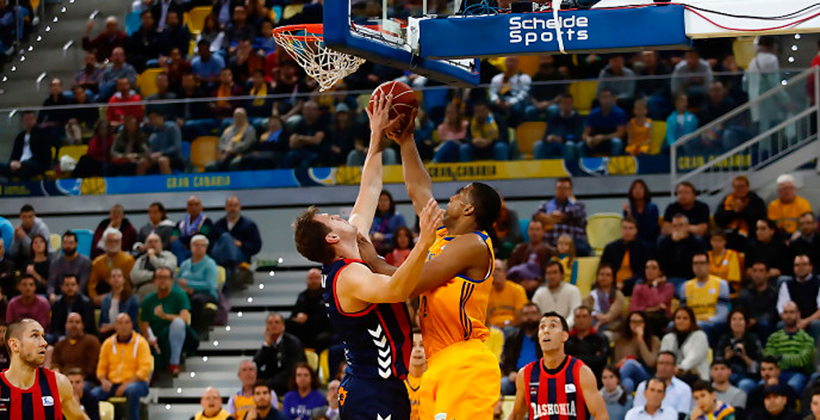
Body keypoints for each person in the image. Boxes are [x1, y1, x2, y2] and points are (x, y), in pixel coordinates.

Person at [290, 95, 449, 418]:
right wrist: (423, 242)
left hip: (378, 386)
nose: (339, 216)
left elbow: (371, 188)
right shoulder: (349, 276)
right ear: (332, 238)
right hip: (372, 389)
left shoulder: (351, 251)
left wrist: (376, 136)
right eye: (332, 219)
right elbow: (398, 290)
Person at [507, 311, 610, 420]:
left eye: (553, 326)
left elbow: (601, 416)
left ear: (565, 336)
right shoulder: (525, 374)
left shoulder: (581, 372)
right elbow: (516, 415)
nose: (546, 331)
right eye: (542, 327)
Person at [2, 319, 89, 419]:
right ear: (14, 345)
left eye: (43, 336)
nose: (44, 343)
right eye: (34, 336)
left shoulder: (58, 383)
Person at [139, 266, 198, 376]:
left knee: (178, 323)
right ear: (154, 281)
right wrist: (150, 338)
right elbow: (144, 323)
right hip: (156, 335)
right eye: (159, 277)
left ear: (171, 280)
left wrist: (164, 316)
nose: (162, 280)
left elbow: (184, 318)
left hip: (175, 334)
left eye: (165, 277)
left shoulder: (180, 295)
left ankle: (174, 363)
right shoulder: (149, 300)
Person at [93, 313, 152, 420]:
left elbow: (144, 369)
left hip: (137, 383)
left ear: (131, 325)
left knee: (132, 390)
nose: (123, 326)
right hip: (112, 383)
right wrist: (103, 380)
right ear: (115, 326)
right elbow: (101, 368)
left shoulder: (141, 343)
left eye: (126, 323)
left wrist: (125, 385)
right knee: (93, 394)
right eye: (120, 323)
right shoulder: (108, 343)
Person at [763, 301, 815, 394]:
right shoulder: (774, 337)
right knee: (761, 386)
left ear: (798, 314)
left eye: (791, 312)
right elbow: (769, 357)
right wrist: (787, 360)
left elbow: (802, 360)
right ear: (782, 315)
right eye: (786, 312)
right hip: (776, 373)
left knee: (793, 385)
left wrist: (781, 357)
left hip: (797, 374)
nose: (788, 316)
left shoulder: (806, 338)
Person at [680, 252, 730, 341]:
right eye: (696, 263)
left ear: (708, 265)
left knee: (701, 326)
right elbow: (683, 313)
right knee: (671, 326)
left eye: (702, 263)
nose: (698, 266)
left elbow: (722, 315)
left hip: (712, 324)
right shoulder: (685, 287)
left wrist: (704, 321)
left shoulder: (721, 284)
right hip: (691, 323)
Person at [533, 177, 590, 254]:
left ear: (570, 191)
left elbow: (566, 216)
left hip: (573, 242)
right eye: (559, 188)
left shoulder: (578, 205)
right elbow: (536, 217)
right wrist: (552, 216)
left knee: (582, 248)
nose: (562, 191)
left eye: (565, 189)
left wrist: (547, 218)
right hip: (550, 242)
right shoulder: (545, 205)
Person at [254, 313, 306, 396]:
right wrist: (266, 345)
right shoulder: (268, 343)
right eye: (270, 323)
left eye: (277, 322)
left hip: (288, 380)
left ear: (283, 326)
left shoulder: (293, 343)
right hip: (272, 380)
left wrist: (270, 382)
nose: (273, 325)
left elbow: (293, 368)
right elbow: (256, 364)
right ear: (266, 327)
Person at [176, 234, 219, 336]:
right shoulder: (185, 264)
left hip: (207, 294)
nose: (199, 248)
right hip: (186, 292)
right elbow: (178, 281)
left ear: (206, 248)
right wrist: (184, 289)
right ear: (191, 247)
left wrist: (190, 285)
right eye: (196, 245)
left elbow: (210, 285)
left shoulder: (210, 264)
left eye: (202, 245)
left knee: (196, 300)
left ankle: (196, 332)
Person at [714, 308, 762, 394]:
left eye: (740, 319)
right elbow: (716, 364)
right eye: (734, 319)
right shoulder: (724, 339)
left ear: (746, 322)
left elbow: (758, 367)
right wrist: (726, 358)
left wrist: (745, 357)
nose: (737, 322)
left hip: (747, 376)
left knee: (744, 384)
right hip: (728, 375)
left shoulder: (753, 339)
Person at [600, 217, 653, 295]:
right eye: (625, 228)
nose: (627, 231)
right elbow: (603, 268)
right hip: (613, 283)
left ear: (636, 230)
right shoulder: (610, 248)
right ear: (620, 230)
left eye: (631, 228)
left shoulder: (644, 248)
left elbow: (643, 272)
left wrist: (625, 283)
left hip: (633, 284)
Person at [714, 175, 767, 252]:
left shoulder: (756, 200)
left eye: (742, 187)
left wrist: (743, 209)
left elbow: (760, 219)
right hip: (729, 233)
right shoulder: (727, 200)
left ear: (747, 187)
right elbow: (718, 219)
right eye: (737, 187)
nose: (740, 189)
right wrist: (734, 212)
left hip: (750, 234)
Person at [500, 303, 542, 396]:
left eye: (533, 313)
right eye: (526, 314)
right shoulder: (513, 337)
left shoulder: (545, 338)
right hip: (517, 378)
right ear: (521, 317)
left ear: (539, 316)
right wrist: (511, 373)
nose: (530, 317)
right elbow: (508, 361)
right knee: (502, 384)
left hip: (540, 377)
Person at [633, 352, 693, 417]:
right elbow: (637, 412)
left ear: (674, 367)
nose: (663, 367)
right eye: (661, 363)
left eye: (667, 364)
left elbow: (682, 415)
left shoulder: (684, 389)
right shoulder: (643, 386)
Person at [614, 311, 661, 393]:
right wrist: (621, 362)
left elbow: (651, 362)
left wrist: (640, 340)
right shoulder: (621, 341)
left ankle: (610, 390)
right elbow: (615, 365)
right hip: (626, 375)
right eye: (633, 322)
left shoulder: (654, 340)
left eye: (640, 322)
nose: (636, 325)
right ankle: (626, 400)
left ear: (645, 323)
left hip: (647, 375)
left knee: (630, 363)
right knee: (628, 383)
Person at [286, 269, 333, 352]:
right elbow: (295, 315)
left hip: (324, 329)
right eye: (311, 278)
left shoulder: (329, 295)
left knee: (322, 339)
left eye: (316, 278)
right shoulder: (302, 296)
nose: (313, 281)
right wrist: (297, 318)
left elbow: (329, 317)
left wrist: (307, 319)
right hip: (307, 329)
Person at [776, 254, 820, 339]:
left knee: (816, 324)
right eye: (797, 265)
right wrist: (794, 321)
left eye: (804, 264)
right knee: (781, 325)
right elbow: (782, 308)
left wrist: (805, 322)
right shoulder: (787, 284)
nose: (800, 267)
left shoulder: (818, 283)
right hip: (793, 320)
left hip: (813, 320)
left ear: (811, 267)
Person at [88, 228, 135, 306]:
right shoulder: (97, 262)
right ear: (104, 243)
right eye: (110, 241)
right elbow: (91, 285)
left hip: (124, 297)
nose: (113, 244)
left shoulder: (129, 260)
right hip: (102, 298)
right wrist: (95, 298)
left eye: (116, 241)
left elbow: (131, 284)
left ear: (120, 242)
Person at [661, 307, 710, 381]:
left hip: (697, 378)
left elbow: (694, 357)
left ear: (691, 321)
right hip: (672, 377)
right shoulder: (668, 338)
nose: (681, 321)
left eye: (685, 318)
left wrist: (680, 368)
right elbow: (664, 358)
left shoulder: (700, 336)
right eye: (678, 318)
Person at [214, 196, 262, 271]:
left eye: (235, 205)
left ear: (239, 207)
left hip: (240, 259)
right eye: (230, 206)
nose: (233, 209)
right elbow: (212, 244)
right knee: (226, 238)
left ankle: (232, 264)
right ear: (225, 208)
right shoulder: (218, 225)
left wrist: (241, 244)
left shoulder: (249, 225)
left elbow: (256, 245)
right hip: (221, 258)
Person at [0, 111, 51, 181]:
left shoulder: (42, 135)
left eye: (31, 119)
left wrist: (22, 164)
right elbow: (14, 154)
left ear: (35, 119)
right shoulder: (20, 137)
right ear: (23, 121)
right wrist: (13, 163)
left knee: (26, 167)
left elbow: (43, 156)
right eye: (26, 119)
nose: (28, 122)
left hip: (34, 164)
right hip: (18, 164)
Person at [629, 260, 674, 337]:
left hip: (661, 321)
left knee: (654, 318)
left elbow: (656, 302)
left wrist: (654, 285)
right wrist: (654, 309)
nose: (650, 271)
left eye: (654, 268)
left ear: (660, 272)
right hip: (643, 319)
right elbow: (633, 309)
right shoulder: (638, 287)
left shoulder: (668, 287)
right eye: (647, 268)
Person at [657, 214, 704, 288]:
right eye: (675, 226)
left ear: (687, 227)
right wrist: (672, 242)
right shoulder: (665, 242)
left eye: (681, 225)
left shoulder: (696, 242)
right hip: (669, 278)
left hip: (689, 278)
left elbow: (690, 264)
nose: (677, 228)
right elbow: (662, 263)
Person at [533, 93, 583, 160]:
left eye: (568, 103)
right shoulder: (554, 117)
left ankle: (568, 166)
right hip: (553, 144)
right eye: (564, 103)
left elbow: (579, 137)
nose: (566, 106)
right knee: (538, 144)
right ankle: (540, 166)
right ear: (560, 105)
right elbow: (545, 135)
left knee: (569, 145)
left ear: (572, 105)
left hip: (567, 145)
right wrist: (548, 138)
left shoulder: (577, 118)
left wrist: (563, 139)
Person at [533, 261, 583, 327]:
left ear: (562, 275)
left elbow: (574, 314)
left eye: (555, 272)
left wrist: (562, 327)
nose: (552, 276)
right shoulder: (539, 292)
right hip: (545, 329)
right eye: (549, 273)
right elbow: (535, 314)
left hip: (568, 329)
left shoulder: (573, 290)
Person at [51, 312, 101, 380]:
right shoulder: (59, 344)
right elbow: (55, 365)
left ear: (82, 325)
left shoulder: (92, 342)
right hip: (64, 379)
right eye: (71, 322)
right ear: (66, 325)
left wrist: (76, 378)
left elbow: (92, 368)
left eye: (77, 322)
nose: (74, 325)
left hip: (85, 380)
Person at [736, 261, 778, 339]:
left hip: (766, 324)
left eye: (761, 271)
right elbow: (740, 310)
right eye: (754, 271)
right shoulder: (745, 293)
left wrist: (756, 320)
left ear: (767, 274)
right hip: (747, 323)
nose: (757, 274)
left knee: (764, 324)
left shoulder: (773, 293)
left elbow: (772, 314)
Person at [566, 305, 610, 381]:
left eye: (584, 316)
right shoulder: (567, 339)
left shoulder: (600, 338)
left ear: (591, 319)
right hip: (571, 377)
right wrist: (590, 357)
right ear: (574, 319)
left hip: (595, 377)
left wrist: (575, 358)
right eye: (578, 317)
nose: (581, 320)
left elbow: (601, 360)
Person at [170, 195, 219, 261]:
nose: (193, 207)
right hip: (183, 250)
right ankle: (182, 266)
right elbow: (173, 238)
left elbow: (200, 236)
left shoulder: (207, 222)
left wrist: (182, 239)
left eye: (196, 204)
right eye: (190, 205)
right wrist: (186, 239)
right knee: (176, 244)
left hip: (200, 251)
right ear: (187, 208)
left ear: (201, 207)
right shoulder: (180, 224)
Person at [579, 88, 626, 157]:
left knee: (617, 142)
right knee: (580, 145)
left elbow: (620, 133)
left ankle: (614, 162)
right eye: (603, 97)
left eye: (608, 97)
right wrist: (588, 139)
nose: (606, 100)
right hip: (596, 141)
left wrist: (603, 137)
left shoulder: (619, 113)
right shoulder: (593, 113)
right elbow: (584, 134)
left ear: (612, 99)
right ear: (599, 99)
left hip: (609, 140)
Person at [130, 232, 178, 301]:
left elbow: (169, 270)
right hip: (142, 292)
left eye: (156, 241)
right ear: (146, 246)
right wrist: (154, 275)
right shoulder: (141, 260)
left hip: (164, 290)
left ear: (161, 244)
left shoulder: (169, 256)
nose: (153, 244)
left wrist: (153, 258)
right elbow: (134, 276)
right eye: (150, 242)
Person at [209, 108, 258, 172]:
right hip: (225, 155)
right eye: (237, 116)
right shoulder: (228, 130)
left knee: (234, 163)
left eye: (241, 116)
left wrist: (232, 149)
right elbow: (220, 143)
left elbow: (246, 145)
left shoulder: (250, 130)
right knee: (210, 166)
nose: (239, 118)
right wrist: (226, 149)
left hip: (241, 155)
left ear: (245, 117)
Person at [48, 231, 92, 302]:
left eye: (71, 243)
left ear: (76, 244)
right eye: (65, 243)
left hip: (79, 297)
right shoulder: (56, 263)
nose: (68, 246)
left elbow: (83, 285)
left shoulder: (85, 262)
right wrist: (51, 294)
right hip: (60, 297)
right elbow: (51, 283)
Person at [138, 110, 184, 175]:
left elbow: (176, 147)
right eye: (150, 118)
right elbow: (151, 148)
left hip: (173, 157)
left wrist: (161, 153)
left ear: (161, 117)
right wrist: (150, 154)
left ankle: (168, 180)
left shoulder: (172, 127)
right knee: (142, 162)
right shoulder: (153, 133)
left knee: (162, 160)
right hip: (156, 158)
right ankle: (139, 181)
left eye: (154, 117)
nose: (152, 120)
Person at [489, 56, 531, 128]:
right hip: (500, 101)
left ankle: (513, 128)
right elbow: (492, 92)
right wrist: (496, 100)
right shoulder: (497, 78)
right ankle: (498, 128)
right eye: (508, 61)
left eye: (513, 61)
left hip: (515, 102)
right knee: (489, 106)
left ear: (517, 63)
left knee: (517, 109)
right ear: (504, 63)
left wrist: (510, 103)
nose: (510, 64)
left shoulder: (524, 77)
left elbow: (524, 94)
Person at [50, 275, 96, 340]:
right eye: (67, 285)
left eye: (73, 285)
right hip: (62, 337)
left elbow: (89, 327)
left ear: (78, 286)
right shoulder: (57, 304)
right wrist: (61, 338)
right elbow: (55, 327)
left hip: (82, 337)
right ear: (62, 287)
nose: (70, 288)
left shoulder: (86, 303)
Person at [487, 259, 527, 330]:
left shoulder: (517, 290)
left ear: (505, 273)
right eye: (492, 271)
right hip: (492, 330)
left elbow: (519, 317)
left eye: (498, 270)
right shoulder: (487, 292)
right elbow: (485, 317)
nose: (495, 273)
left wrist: (504, 327)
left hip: (511, 329)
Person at [98, 268, 140, 337]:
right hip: (109, 333)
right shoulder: (105, 299)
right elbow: (102, 321)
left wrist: (112, 327)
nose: (116, 279)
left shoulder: (132, 298)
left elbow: (132, 321)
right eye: (113, 276)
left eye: (119, 276)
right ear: (110, 280)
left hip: (128, 332)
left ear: (124, 280)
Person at [584, 265, 626, 333]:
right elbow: (586, 310)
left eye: (607, 275)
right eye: (602, 274)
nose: (604, 277)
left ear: (612, 278)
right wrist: (596, 315)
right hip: (592, 323)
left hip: (612, 326)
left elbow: (613, 313)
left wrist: (600, 322)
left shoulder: (618, 294)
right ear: (597, 277)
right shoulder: (590, 295)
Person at [369, 190, 407, 255]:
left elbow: (403, 235)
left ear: (390, 202)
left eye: (385, 200)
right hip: (374, 251)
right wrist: (373, 235)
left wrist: (384, 237)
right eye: (380, 200)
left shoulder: (398, 217)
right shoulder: (372, 218)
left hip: (394, 251)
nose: (383, 203)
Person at [624, 180, 661, 244]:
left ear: (645, 191)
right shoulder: (628, 209)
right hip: (634, 241)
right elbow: (628, 229)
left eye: (640, 188)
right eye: (635, 188)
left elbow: (650, 230)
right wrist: (629, 214)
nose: (637, 190)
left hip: (651, 240)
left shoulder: (652, 208)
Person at [404, 331, 426, 420]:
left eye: (422, 345)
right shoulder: (400, 382)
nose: (417, 350)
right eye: (413, 345)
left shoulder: (435, 380)